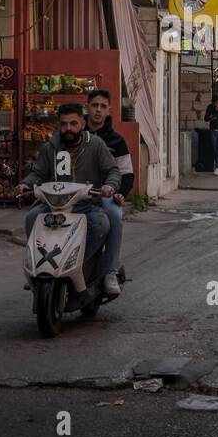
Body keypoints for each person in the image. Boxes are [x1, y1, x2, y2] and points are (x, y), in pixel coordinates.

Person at [20, 103, 122, 293]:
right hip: (55, 205)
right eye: (64, 124)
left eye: (73, 123)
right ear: (59, 125)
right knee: (31, 218)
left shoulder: (96, 145)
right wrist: (26, 184)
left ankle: (96, 268)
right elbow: (38, 173)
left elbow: (112, 170)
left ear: (82, 124)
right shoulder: (51, 147)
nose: (69, 129)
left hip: (86, 204)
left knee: (102, 224)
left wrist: (110, 185)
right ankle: (40, 269)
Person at [85, 89, 132, 294]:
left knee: (113, 214)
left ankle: (110, 271)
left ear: (108, 110)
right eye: (94, 105)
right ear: (87, 106)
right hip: (76, 193)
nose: (98, 110)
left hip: (105, 195)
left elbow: (127, 174)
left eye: (103, 106)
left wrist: (120, 193)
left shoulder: (116, 141)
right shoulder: (75, 134)